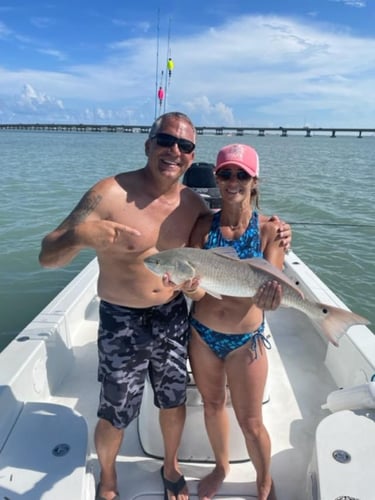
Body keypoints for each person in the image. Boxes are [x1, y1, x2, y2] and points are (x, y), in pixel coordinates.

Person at [39, 113, 290, 500]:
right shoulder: (109, 193)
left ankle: (170, 467)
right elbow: (47, 256)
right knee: (115, 410)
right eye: (166, 141)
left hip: (173, 316)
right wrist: (79, 234)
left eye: (185, 146)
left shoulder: (191, 206)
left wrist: (275, 232)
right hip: (122, 319)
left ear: (192, 158)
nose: (175, 151)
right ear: (148, 144)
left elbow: (215, 258)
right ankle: (108, 478)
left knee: (172, 402)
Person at [186, 143, 285, 500]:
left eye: (241, 174)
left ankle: (263, 482)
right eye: (225, 173)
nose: (233, 181)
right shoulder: (201, 227)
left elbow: (273, 281)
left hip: (246, 342)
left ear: (254, 181)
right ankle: (221, 467)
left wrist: (271, 298)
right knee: (212, 407)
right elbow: (197, 291)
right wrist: (192, 290)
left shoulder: (270, 231)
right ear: (216, 177)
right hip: (203, 336)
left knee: (251, 421)